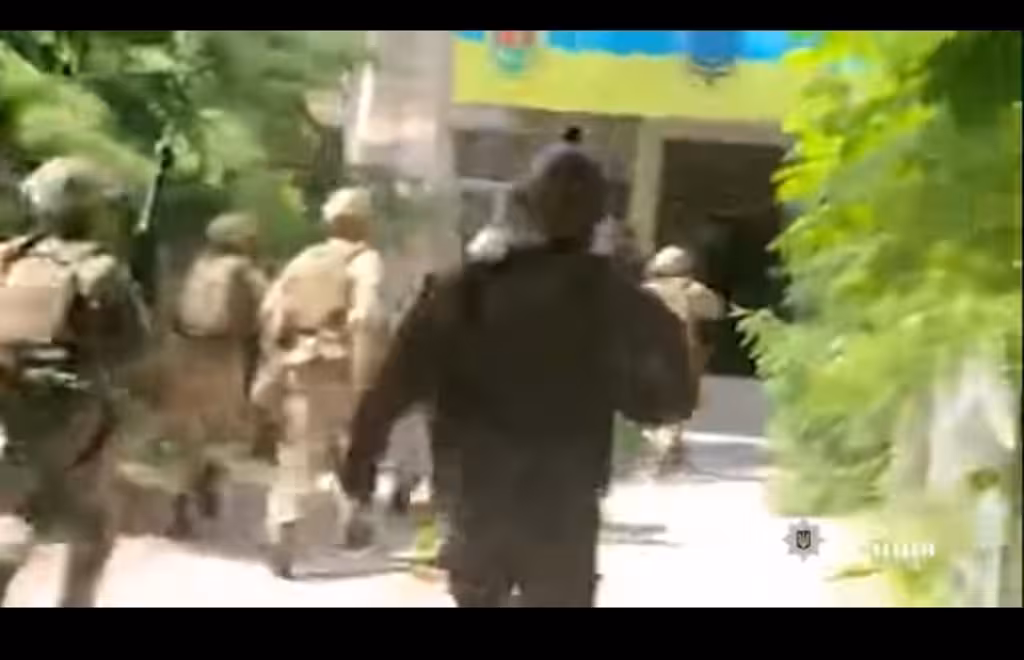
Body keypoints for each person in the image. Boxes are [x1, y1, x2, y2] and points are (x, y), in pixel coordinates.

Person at [342, 141, 696, 607]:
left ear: (523, 207)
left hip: (477, 498)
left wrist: (361, 463)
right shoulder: (621, 302)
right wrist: (618, 387)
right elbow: (672, 401)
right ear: (599, 217)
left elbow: (391, 388)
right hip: (563, 507)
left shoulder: (461, 292)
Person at [0, 157, 150, 607]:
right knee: (91, 524)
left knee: (19, 503)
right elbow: (135, 348)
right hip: (66, 412)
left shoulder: (10, 258)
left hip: (7, 399)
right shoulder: (100, 271)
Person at [252, 186, 388, 579]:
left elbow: (271, 312)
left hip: (300, 363)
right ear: (365, 222)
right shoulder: (365, 261)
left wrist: (279, 356)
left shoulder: (305, 259)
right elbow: (366, 319)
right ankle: (353, 519)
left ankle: (283, 524)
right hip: (341, 365)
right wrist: (365, 376)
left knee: (300, 450)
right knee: (353, 446)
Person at [163, 212, 268, 537]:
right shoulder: (245, 270)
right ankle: (208, 477)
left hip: (187, 354)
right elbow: (269, 308)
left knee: (189, 434)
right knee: (224, 431)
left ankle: (181, 501)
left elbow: (173, 311)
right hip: (225, 354)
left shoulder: (198, 267)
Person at [642, 245, 726, 473]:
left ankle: (663, 449)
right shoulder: (694, 290)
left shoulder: (646, 291)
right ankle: (669, 447)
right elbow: (717, 311)